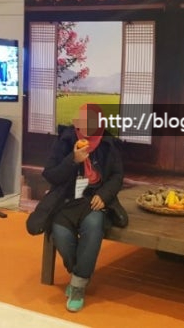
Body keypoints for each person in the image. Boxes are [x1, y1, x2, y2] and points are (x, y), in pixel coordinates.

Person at [41, 103, 123, 312]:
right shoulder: (66, 140)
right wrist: (73, 160)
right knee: (60, 234)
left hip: (94, 198)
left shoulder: (108, 142)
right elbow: (50, 174)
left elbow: (117, 176)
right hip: (67, 200)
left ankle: (77, 286)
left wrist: (104, 195)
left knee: (94, 227)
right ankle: (79, 273)